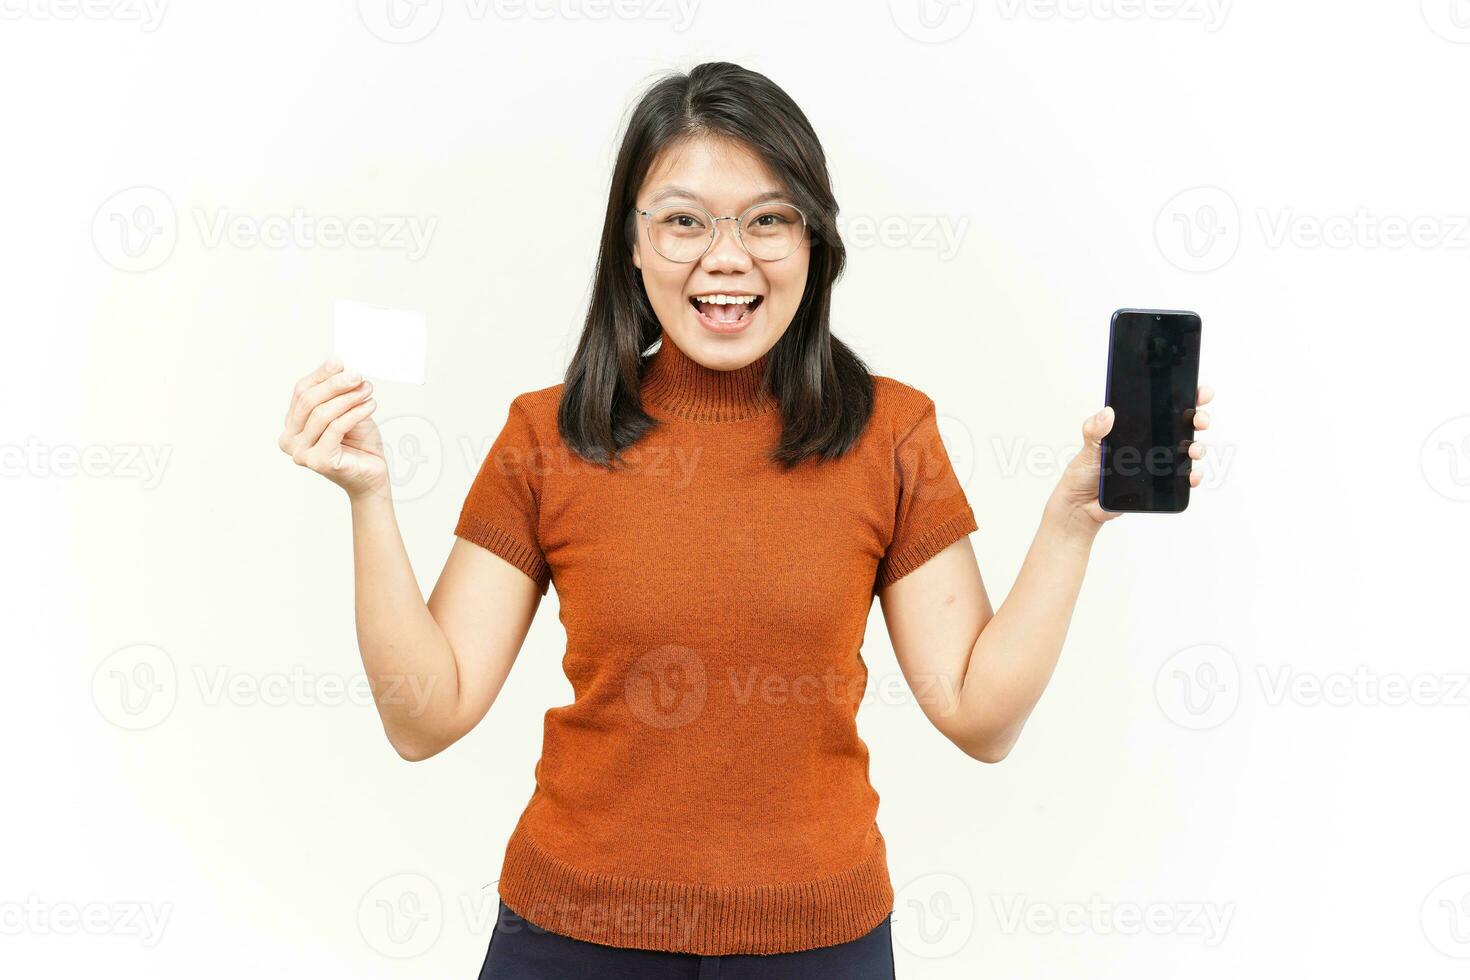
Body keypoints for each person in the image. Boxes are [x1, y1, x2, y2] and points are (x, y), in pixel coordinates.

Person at [277, 61, 1213, 979]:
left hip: (820, 942)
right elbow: (423, 718)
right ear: (631, 245)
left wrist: (1072, 521)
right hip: (571, 939)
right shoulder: (546, 435)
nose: (727, 257)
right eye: (683, 221)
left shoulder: (891, 432)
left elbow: (981, 716)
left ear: (814, 242)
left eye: (768, 220)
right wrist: (369, 499)